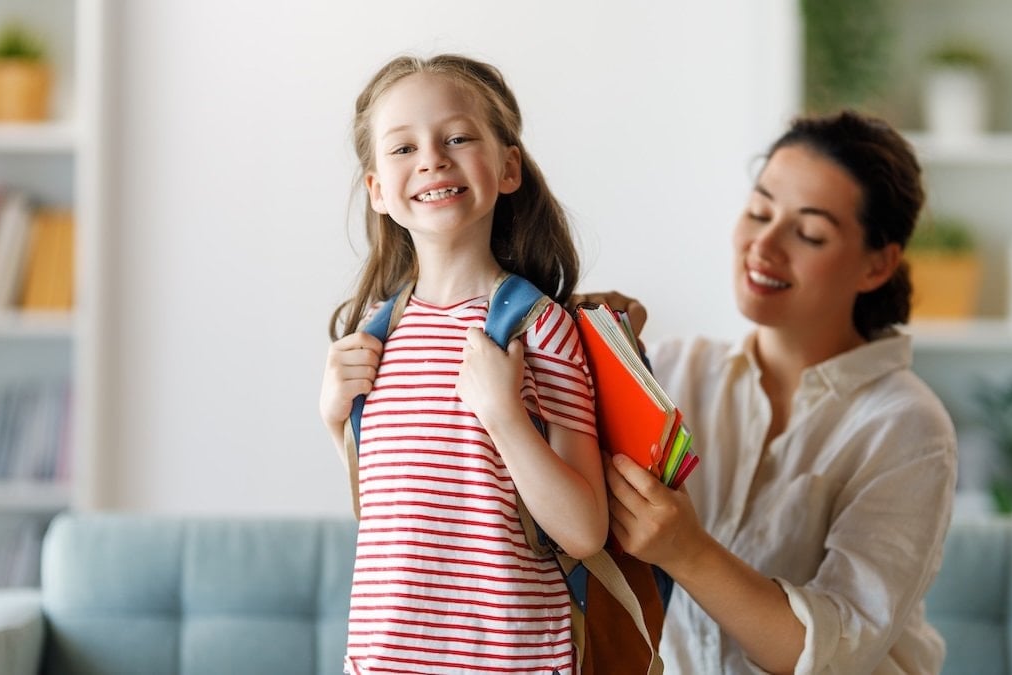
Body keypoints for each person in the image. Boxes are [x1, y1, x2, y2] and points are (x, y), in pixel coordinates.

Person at [578, 110, 958, 675]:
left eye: (809, 233)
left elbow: (838, 654)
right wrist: (576, 343)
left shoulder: (906, 427)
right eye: (759, 211)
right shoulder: (673, 371)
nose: (765, 244)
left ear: (878, 265)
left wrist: (687, 550)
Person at [318, 54, 606, 675]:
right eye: (402, 149)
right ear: (377, 192)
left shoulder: (539, 328)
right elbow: (397, 515)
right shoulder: (374, 334)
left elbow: (584, 532)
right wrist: (334, 422)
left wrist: (504, 415)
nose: (431, 159)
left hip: (517, 661)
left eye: (457, 137)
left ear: (507, 167)